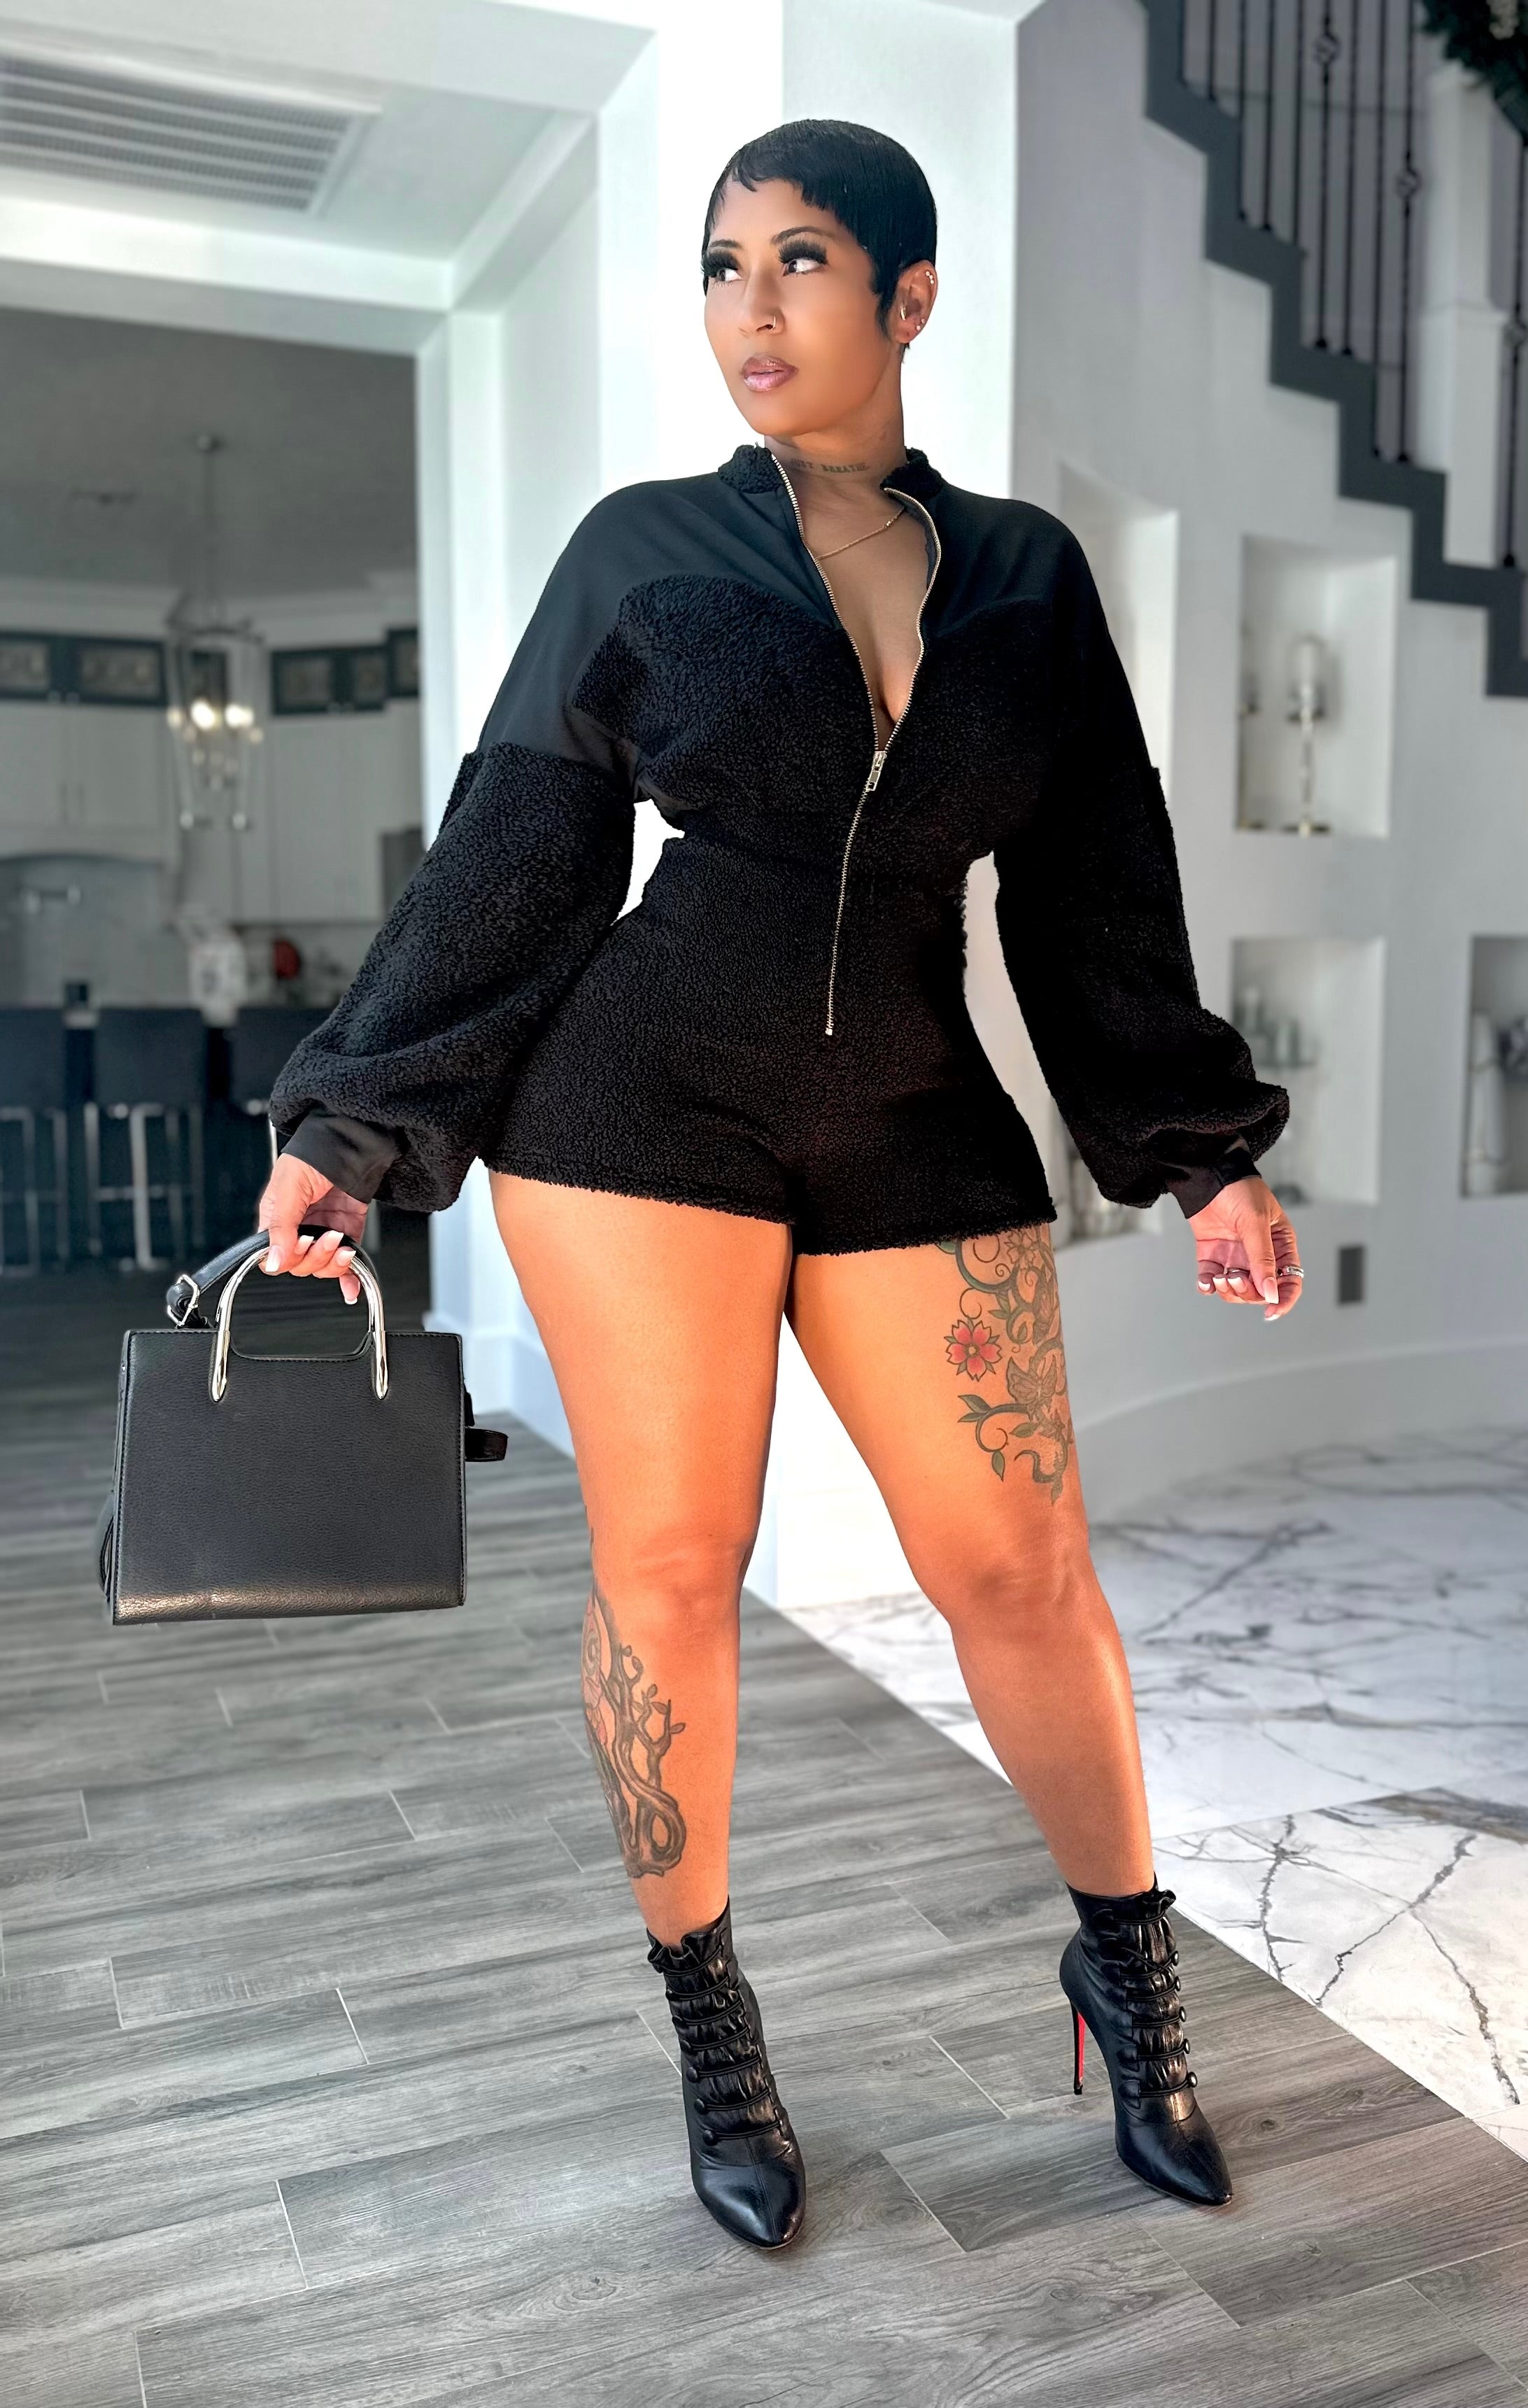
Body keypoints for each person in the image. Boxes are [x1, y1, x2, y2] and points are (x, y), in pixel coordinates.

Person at [260, 119, 1301, 2253]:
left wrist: (1199, 1155)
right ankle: (712, 2016)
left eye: (800, 260)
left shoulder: (1026, 573)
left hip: (917, 1108)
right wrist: (349, 1127)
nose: (751, 307)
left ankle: (1124, 1955)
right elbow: (518, 852)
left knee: (1019, 1566)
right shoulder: (644, 548)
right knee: (672, 1564)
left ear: (910, 296)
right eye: (723, 265)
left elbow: (1096, 884)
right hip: (640, 1109)